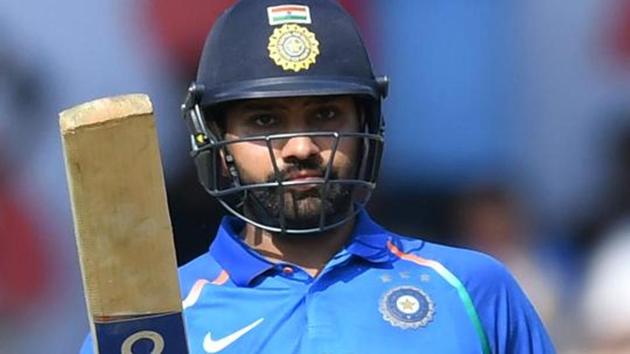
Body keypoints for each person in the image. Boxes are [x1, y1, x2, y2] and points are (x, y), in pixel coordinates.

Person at [80, 0, 555, 353]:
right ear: (217, 141)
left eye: (325, 114)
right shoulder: (157, 322)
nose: (301, 147)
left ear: (366, 127)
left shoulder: (473, 289)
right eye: (264, 121)